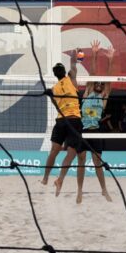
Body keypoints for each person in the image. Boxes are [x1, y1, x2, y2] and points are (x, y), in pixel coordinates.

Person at [41, 51, 84, 197]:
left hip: (61, 120)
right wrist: (74, 55)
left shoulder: (54, 88)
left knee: (54, 150)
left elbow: (55, 105)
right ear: (63, 72)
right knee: (71, 153)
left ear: (55, 74)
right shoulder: (71, 79)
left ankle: (46, 178)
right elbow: (73, 65)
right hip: (73, 120)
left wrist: (50, 95)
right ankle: (59, 179)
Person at [78, 41, 114, 203]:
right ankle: (79, 190)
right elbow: (92, 75)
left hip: (95, 131)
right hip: (82, 131)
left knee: (98, 163)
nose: (99, 84)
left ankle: (104, 190)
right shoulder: (87, 93)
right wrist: (94, 54)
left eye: (101, 84)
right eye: (97, 84)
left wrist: (110, 60)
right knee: (81, 162)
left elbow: (109, 80)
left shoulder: (103, 97)